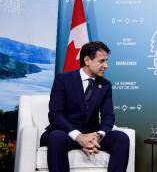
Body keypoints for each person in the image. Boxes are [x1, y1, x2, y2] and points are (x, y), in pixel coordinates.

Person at [40, 41, 129, 172]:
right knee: (56, 137)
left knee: (121, 138)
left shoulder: (105, 85)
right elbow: (55, 114)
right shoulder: (63, 79)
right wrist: (78, 136)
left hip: (92, 134)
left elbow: (108, 115)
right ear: (87, 60)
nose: (106, 65)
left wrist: (98, 135)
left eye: (106, 61)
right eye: (102, 61)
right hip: (66, 133)